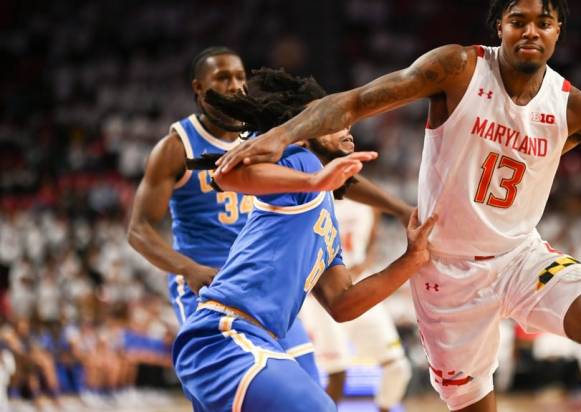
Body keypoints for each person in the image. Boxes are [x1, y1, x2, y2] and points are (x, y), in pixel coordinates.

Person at [212, 0, 581, 411]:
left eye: (543, 22)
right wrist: (279, 137)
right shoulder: (456, 68)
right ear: (498, 25)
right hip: (445, 274)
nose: (530, 31)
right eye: (517, 20)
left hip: (520, 258)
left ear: (558, 32)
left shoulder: (570, 106)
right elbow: (354, 102)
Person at [172, 67, 437, 412]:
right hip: (227, 335)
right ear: (304, 130)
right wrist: (314, 182)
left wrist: (412, 260)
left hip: (247, 340)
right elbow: (228, 174)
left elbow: (343, 304)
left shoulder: (324, 214)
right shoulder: (301, 162)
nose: (348, 124)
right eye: (333, 118)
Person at [126, 47, 319, 380]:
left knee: (308, 382)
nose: (235, 85)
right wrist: (189, 269)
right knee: (230, 388)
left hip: (263, 285)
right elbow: (138, 230)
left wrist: (396, 208)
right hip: (208, 285)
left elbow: (321, 178)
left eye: (240, 77)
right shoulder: (177, 147)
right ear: (199, 88)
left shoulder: (262, 139)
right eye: (223, 77)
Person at [300, 197, 412, 411]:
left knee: (397, 367)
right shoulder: (313, 198)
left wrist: (363, 264)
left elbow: (371, 244)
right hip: (322, 295)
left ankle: (384, 407)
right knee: (338, 374)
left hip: (360, 286)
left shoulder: (369, 202)